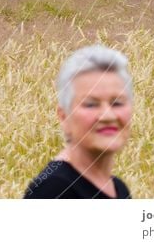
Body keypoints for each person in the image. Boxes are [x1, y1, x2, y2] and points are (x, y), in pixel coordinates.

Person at [24, 44, 133, 199]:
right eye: (91, 104)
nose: (107, 116)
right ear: (63, 117)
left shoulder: (119, 188)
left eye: (117, 103)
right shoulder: (54, 190)